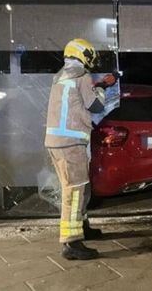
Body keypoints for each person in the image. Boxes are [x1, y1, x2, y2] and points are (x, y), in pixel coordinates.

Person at [45, 38, 111, 260]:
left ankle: (82, 227)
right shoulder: (81, 77)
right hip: (71, 144)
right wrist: (102, 87)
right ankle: (72, 243)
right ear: (83, 55)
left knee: (80, 188)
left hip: (58, 142)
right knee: (74, 192)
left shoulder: (61, 76)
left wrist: (97, 84)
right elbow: (96, 105)